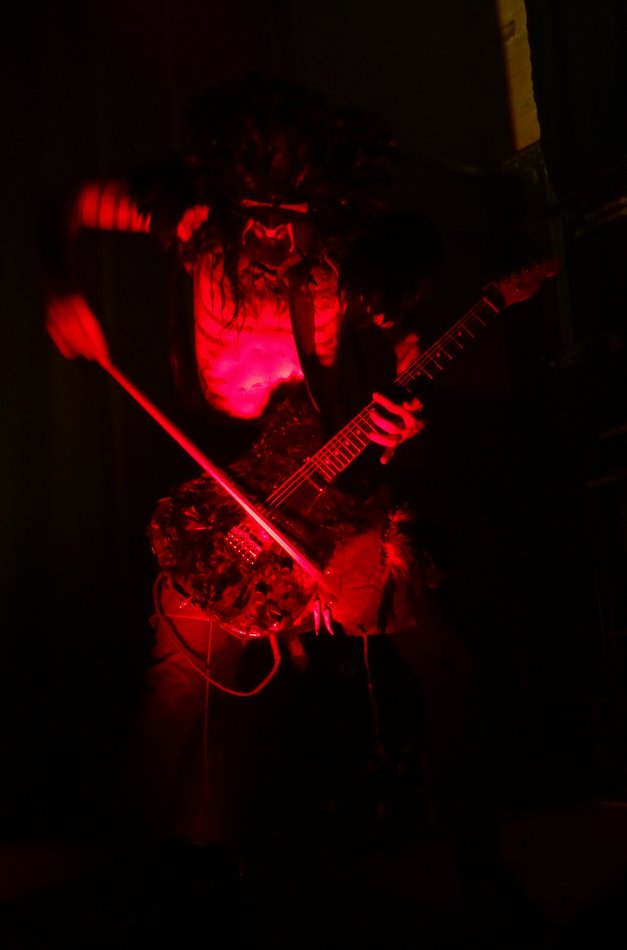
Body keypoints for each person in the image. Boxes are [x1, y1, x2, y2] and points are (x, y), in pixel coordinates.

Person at [41, 74, 540, 941]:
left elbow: (400, 366)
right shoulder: (191, 223)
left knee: (442, 665)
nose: (270, 233)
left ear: (323, 207)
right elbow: (72, 204)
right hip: (229, 501)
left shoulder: (352, 262)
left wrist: (402, 420)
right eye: (255, 214)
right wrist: (62, 290)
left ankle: (481, 872)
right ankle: (132, 888)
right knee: (176, 692)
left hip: (336, 502)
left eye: (289, 217)